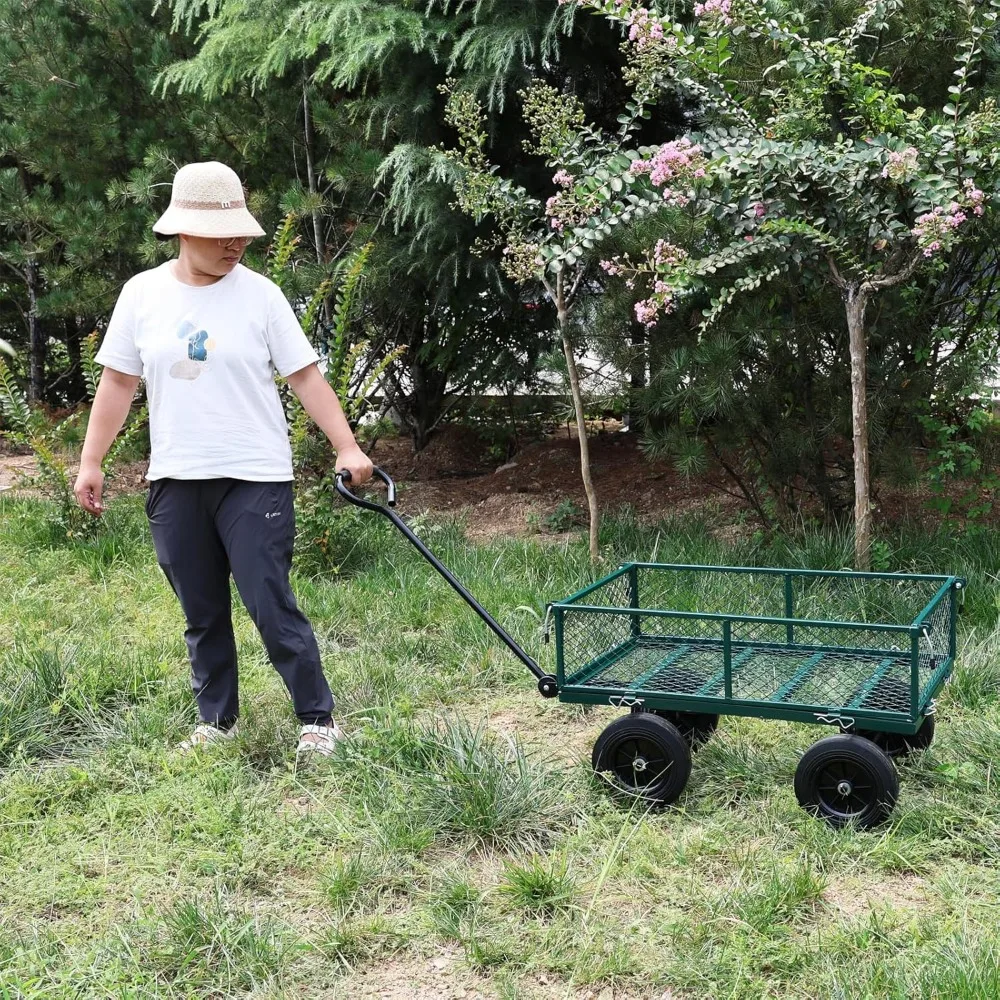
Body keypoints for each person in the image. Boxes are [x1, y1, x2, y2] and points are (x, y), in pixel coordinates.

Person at [74, 160, 374, 756]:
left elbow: (306, 377)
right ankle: (215, 722)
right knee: (202, 611)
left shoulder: (261, 296)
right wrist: (91, 461)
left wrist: (347, 444)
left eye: (241, 231)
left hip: (254, 477)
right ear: (181, 230)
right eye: (221, 234)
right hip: (176, 480)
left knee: (269, 600)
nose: (235, 242)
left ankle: (317, 720)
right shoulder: (143, 294)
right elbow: (116, 384)